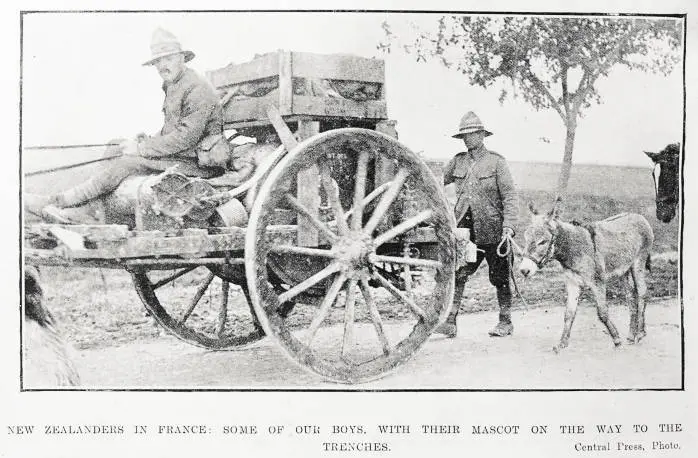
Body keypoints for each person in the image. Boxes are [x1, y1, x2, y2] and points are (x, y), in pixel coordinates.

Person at [27, 28, 227, 224]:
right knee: (117, 146)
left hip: (198, 164)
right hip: (181, 155)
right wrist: (146, 140)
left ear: (182, 58)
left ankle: (58, 202)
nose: (162, 66)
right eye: (158, 61)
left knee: (127, 163)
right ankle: (88, 209)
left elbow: (186, 137)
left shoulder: (197, 87)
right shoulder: (175, 83)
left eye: (168, 59)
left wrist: (141, 149)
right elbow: (173, 130)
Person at [435, 111, 519, 338]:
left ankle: (505, 321)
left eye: (472, 134)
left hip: (494, 230)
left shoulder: (496, 162)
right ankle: (450, 322)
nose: (468, 139)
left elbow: (510, 196)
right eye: (464, 136)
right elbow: (436, 182)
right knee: (459, 272)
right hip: (466, 229)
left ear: (482, 135)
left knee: (500, 277)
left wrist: (509, 225)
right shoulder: (457, 161)